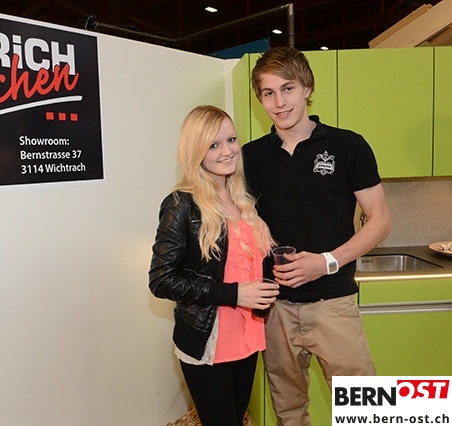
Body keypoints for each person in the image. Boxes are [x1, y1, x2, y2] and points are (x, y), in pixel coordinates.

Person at [242, 47, 392, 426]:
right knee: (289, 412)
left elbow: (379, 221)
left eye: (287, 88)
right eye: (268, 93)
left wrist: (325, 262)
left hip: (334, 304)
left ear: (307, 88)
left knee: (366, 410)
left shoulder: (348, 146)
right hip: (275, 308)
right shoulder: (249, 157)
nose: (279, 102)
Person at [149, 105, 280, 426]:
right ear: (196, 151)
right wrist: (235, 294)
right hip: (208, 341)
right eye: (214, 145)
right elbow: (161, 279)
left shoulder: (243, 199)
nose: (227, 151)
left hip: (247, 337)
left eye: (231, 140)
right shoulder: (181, 204)